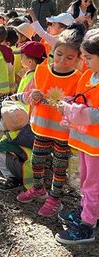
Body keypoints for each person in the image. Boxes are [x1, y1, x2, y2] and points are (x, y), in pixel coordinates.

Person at [16, 28, 84, 217]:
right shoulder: (41, 71)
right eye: (59, 54)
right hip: (41, 127)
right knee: (37, 160)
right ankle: (38, 189)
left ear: (79, 59)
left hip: (63, 133)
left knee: (59, 166)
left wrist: (71, 104)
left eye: (69, 58)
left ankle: (54, 199)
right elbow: (29, 95)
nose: (62, 61)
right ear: (54, 52)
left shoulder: (79, 79)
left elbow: (81, 106)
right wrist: (33, 96)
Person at [56, 29, 99, 244]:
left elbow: (95, 114)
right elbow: (84, 98)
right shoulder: (89, 76)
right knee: (85, 179)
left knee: (94, 184)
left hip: (96, 146)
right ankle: (87, 210)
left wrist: (72, 111)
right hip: (86, 142)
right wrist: (71, 101)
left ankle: (87, 225)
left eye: (89, 58)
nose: (85, 61)